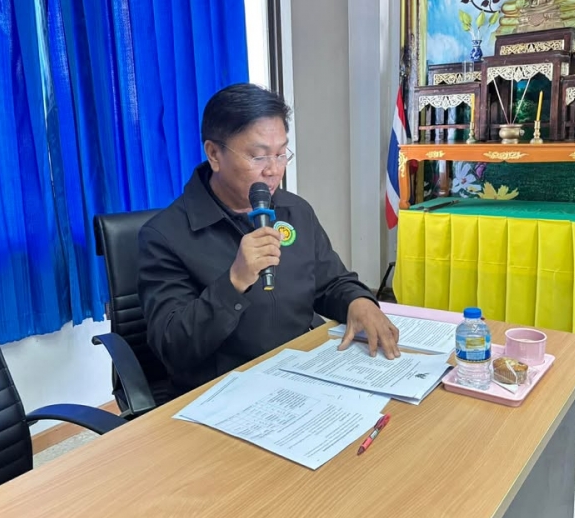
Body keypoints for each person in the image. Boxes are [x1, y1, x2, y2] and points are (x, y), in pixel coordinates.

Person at [137, 83, 400, 398]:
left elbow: (331, 282)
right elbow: (173, 347)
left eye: (281, 153)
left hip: (302, 371)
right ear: (214, 154)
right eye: (258, 156)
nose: (274, 170)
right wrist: (235, 281)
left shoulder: (294, 210)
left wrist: (360, 301)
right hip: (224, 392)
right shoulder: (164, 236)